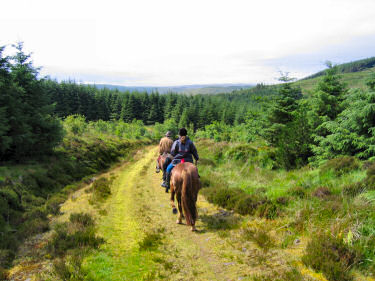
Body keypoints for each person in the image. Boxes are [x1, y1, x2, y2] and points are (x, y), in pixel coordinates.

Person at [164, 128, 199, 193]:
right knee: (195, 171)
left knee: (168, 169)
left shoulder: (176, 142)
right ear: (186, 134)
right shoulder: (190, 142)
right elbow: (194, 151)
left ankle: (167, 185)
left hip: (177, 161)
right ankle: (197, 184)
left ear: (179, 134)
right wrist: (196, 158)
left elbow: (172, 152)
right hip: (189, 161)